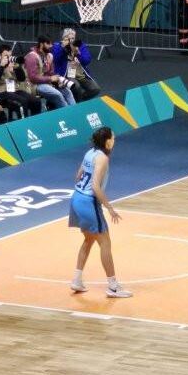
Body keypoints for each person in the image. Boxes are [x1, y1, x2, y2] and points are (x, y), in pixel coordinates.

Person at [68, 127, 132, 298]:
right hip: (89, 202)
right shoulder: (102, 158)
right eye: (113, 137)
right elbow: (95, 186)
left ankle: (77, 280)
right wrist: (109, 207)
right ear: (108, 141)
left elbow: (78, 175)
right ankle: (113, 286)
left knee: (88, 239)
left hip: (76, 198)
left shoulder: (90, 152)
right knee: (105, 243)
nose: (115, 140)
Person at [0, 45, 42, 118]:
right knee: (22, 102)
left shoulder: (12, 63)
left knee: (36, 101)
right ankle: (23, 125)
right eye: (6, 56)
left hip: (13, 91)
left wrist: (17, 68)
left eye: (10, 56)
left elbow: (22, 79)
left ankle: (34, 122)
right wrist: (1, 66)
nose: (9, 58)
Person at [24, 35, 76, 109]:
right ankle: (67, 115)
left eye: (51, 44)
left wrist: (57, 82)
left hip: (46, 82)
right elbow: (32, 78)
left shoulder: (49, 55)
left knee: (67, 92)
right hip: (34, 85)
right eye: (48, 44)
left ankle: (74, 113)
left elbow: (50, 73)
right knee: (58, 94)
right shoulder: (31, 57)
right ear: (42, 44)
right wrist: (50, 79)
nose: (51, 46)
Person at [52, 28, 101, 102]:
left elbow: (87, 60)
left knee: (95, 89)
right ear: (63, 38)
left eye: (73, 38)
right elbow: (55, 59)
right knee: (76, 87)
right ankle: (75, 104)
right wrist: (62, 48)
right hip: (66, 75)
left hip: (80, 74)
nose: (71, 40)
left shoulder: (80, 46)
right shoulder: (57, 46)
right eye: (69, 38)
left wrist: (78, 53)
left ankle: (79, 101)